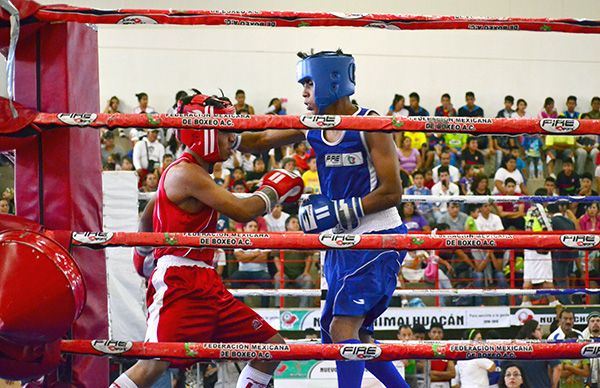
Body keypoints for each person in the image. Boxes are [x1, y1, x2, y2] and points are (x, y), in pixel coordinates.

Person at [237, 49, 408, 388]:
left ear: (333, 81)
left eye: (308, 83)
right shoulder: (312, 125)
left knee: (344, 329)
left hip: (377, 237)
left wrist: (338, 210)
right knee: (344, 334)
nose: (303, 93)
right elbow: (256, 141)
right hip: (342, 240)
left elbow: (392, 192)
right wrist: (215, 129)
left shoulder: (370, 125)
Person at [110, 93, 304, 388]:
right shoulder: (187, 173)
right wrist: (273, 189)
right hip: (180, 282)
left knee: (271, 347)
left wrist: (143, 251)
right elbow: (241, 210)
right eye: (225, 131)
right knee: (152, 366)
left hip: (207, 282)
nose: (232, 138)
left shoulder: (185, 171)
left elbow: (151, 209)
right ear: (206, 134)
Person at [512, 319, 560, 388]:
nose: (542, 332)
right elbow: (558, 367)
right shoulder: (543, 347)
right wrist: (553, 386)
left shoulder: (516, 348)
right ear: (532, 332)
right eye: (539, 329)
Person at [429, 323, 456, 387]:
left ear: (442, 335)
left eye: (439, 332)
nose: (436, 335)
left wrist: (433, 373)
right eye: (434, 332)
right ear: (429, 334)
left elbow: (452, 374)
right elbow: (426, 374)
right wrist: (445, 375)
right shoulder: (425, 351)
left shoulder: (447, 351)